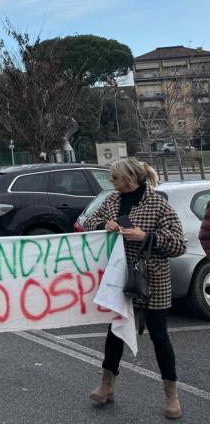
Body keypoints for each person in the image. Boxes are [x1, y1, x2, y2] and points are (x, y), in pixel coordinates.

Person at [82, 157, 186, 419]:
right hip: (119, 276)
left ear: (130, 178)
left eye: (115, 177)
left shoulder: (158, 204)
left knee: (159, 336)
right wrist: (102, 226)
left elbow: (178, 245)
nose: (111, 181)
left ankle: (171, 395)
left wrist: (146, 236)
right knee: (114, 333)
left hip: (152, 279)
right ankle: (106, 386)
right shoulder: (112, 201)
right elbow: (85, 224)